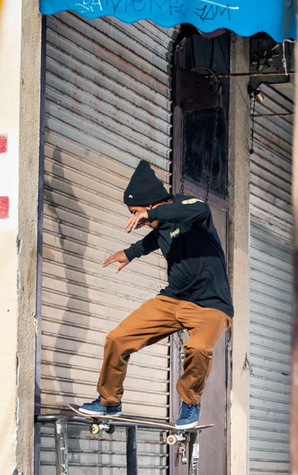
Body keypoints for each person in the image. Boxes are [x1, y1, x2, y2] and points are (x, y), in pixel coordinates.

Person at [74, 160, 233, 429]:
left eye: (136, 212)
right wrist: (129, 253)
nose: (136, 219)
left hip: (212, 306)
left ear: (151, 205)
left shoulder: (190, 209)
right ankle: (109, 402)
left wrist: (152, 214)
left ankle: (190, 402)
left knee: (198, 348)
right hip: (172, 300)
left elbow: (200, 209)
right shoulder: (161, 227)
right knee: (117, 338)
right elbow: (152, 241)